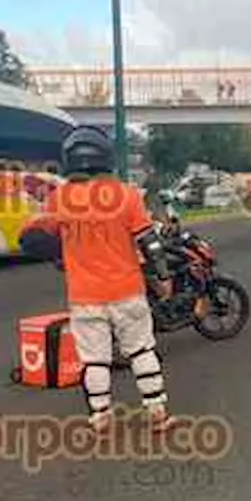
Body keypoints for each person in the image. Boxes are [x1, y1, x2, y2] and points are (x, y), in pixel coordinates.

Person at [21, 126, 170, 432]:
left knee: (95, 360)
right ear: (106, 157)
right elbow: (149, 242)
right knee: (141, 350)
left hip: (85, 296)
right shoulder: (126, 195)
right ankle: (156, 411)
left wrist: (62, 254)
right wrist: (163, 276)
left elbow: (33, 237)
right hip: (127, 290)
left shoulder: (59, 199)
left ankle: (100, 416)